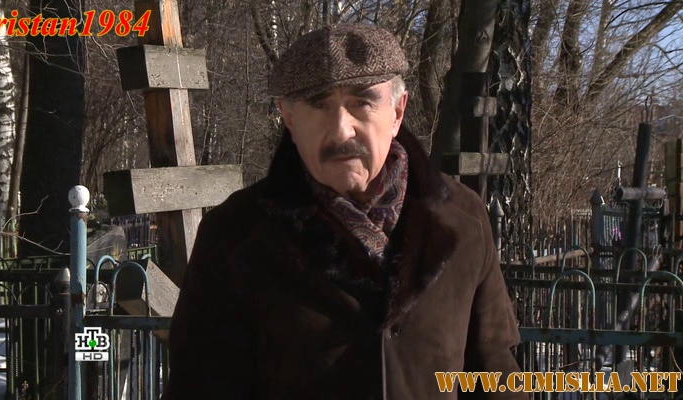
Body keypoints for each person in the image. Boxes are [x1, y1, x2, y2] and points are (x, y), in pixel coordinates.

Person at [163, 23, 525, 399]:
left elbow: (494, 372)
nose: (341, 131)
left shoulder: (461, 219)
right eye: (319, 105)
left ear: (397, 111)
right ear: (289, 118)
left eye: (361, 102)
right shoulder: (235, 235)